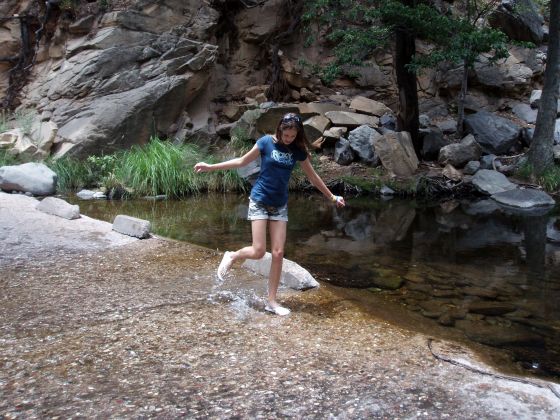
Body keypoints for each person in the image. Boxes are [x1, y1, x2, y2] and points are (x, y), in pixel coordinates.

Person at [194, 112, 345, 316]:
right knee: (258, 251)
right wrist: (211, 167)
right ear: (280, 129)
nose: (288, 139)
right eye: (286, 135)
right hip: (259, 200)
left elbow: (313, 177)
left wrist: (332, 197)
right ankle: (232, 255)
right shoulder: (266, 142)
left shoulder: (297, 150)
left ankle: (271, 302)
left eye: (293, 136)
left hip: (279, 204)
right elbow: (241, 162)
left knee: (278, 253)